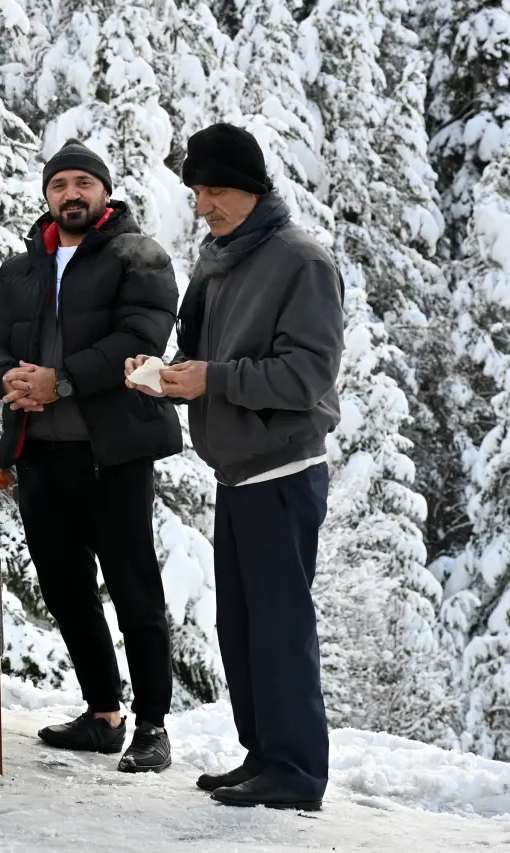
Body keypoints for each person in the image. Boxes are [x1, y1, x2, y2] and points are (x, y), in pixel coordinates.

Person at [126, 123, 344, 809]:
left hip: (282, 471)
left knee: (280, 625)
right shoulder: (220, 258)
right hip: (237, 472)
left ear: (251, 188)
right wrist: (159, 373)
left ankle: (298, 770)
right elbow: (196, 351)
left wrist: (211, 380)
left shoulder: (300, 261)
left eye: (215, 190)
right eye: (196, 191)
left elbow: (307, 376)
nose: (203, 204)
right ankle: (264, 754)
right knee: (243, 628)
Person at [0, 139, 182, 772]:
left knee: (132, 587)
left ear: (104, 194)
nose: (72, 193)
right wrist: (8, 376)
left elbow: (141, 337)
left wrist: (56, 381)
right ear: (46, 196)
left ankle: (152, 725)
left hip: (111, 452)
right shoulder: (23, 268)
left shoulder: (138, 255)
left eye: (83, 183)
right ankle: (101, 715)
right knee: (66, 589)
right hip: (40, 454)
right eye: (60, 183)